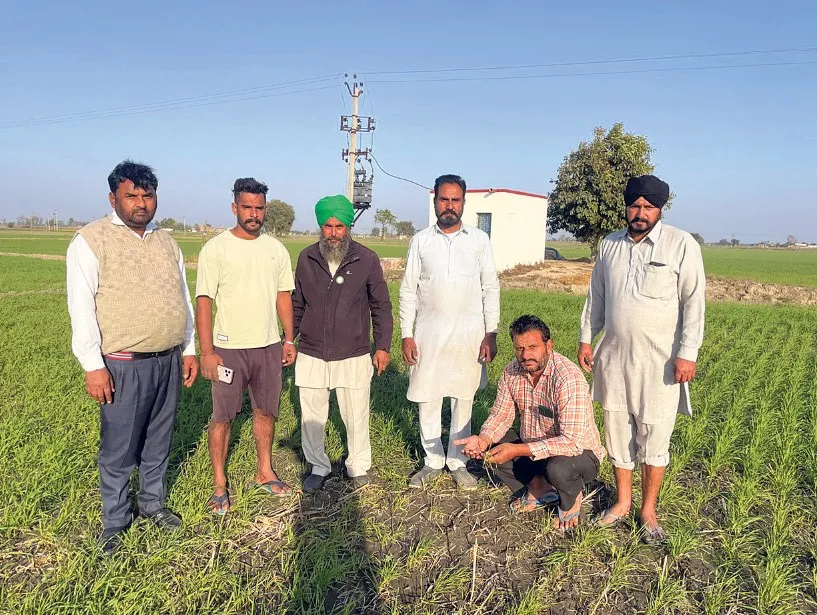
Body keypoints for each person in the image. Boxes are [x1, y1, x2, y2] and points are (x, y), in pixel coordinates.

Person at [66, 160, 199, 556]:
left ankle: (153, 505)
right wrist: (93, 365)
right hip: (122, 364)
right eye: (132, 196)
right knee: (120, 448)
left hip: (168, 359)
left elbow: (184, 298)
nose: (141, 203)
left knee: (159, 440)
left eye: (147, 195)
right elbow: (81, 305)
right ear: (114, 198)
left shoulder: (166, 241)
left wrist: (188, 348)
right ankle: (116, 520)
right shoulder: (92, 240)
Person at [578, 174, 705, 543]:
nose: (640, 213)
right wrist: (587, 339)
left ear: (660, 209)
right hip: (614, 358)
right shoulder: (610, 245)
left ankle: (647, 510)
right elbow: (596, 297)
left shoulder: (681, 244)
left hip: (661, 364)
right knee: (617, 431)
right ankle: (621, 502)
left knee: (654, 435)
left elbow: (693, 303)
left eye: (648, 207)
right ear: (627, 206)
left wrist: (687, 353)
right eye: (634, 205)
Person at [195, 178, 296, 513]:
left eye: (260, 208)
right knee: (222, 416)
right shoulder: (216, 248)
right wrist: (207, 352)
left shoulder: (276, 249)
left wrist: (288, 338)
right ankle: (220, 484)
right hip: (228, 349)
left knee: (266, 411)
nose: (254, 214)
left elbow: (284, 296)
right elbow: (205, 301)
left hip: (267, 347)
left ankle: (264, 472)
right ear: (234, 208)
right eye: (248, 207)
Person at [456, 315, 605, 530]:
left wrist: (518, 450)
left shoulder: (567, 377)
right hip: (535, 447)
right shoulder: (511, 372)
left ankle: (571, 499)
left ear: (549, 345)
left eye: (533, 347)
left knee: (559, 468)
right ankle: (540, 487)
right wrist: (483, 439)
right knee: (490, 447)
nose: (526, 355)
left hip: (577, 455)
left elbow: (571, 442)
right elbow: (501, 414)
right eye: (519, 348)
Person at [399, 174, 500, 490]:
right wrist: (406, 334)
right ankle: (432, 461)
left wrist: (491, 333)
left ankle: (458, 462)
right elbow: (408, 291)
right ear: (435, 202)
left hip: (469, 337)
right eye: (444, 199)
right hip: (428, 335)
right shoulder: (421, 241)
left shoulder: (478, 241)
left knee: (463, 397)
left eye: (455, 200)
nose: (449, 206)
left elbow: (490, 287)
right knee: (427, 398)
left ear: (464, 203)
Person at [292, 195, 393, 493]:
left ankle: (358, 465)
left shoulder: (367, 259)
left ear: (349, 226)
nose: (334, 233)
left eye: (339, 226)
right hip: (311, 350)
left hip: (354, 351)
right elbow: (297, 304)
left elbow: (381, 306)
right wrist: (288, 340)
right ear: (320, 226)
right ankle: (318, 465)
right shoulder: (307, 258)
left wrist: (383, 346)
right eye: (328, 226)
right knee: (311, 412)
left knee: (355, 412)